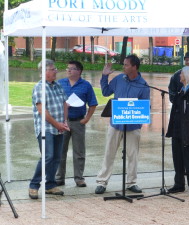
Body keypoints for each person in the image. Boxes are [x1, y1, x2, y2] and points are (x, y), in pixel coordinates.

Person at [95, 54, 150, 194]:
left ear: (134, 67)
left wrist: (138, 112)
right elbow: (106, 92)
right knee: (109, 153)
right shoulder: (119, 79)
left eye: (126, 65)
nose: (123, 67)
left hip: (133, 126)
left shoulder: (143, 85)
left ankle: (131, 182)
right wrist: (104, 76)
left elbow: (145, 106)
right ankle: (102, 182)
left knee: (132, 155)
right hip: (116, 124)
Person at [29, 59, 70, 199]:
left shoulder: (58, 86)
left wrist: (64, 122)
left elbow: (65, 104)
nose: (56, 71)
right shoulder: (39, 87)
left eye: (55, 68)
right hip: (46, 127)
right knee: (48, 156)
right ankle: (34, 185)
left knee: (57, 157)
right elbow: (42, 111)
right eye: (53, 69)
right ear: (44, 71)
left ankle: (50, 185)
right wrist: (57, 124)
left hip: (59, 127)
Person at [56, 61, 98, 187]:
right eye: (67, 68)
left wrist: (87, 119)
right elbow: (53, 101)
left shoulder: (86, 85)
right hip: (62, 122)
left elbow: (93, 103)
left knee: (79, 151)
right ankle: (59, 177)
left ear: (79, 71)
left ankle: (79, 178)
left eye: (72, 69)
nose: (68, 70)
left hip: (78, 122)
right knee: (60, 151)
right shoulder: (60, 83)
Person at [166, 66, 189, 196]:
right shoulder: (180, 91)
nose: (179, 76)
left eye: (181, 74)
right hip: (177, 130)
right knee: (178, 159)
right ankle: (179, 184)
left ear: (186, 76)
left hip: (188, 131)